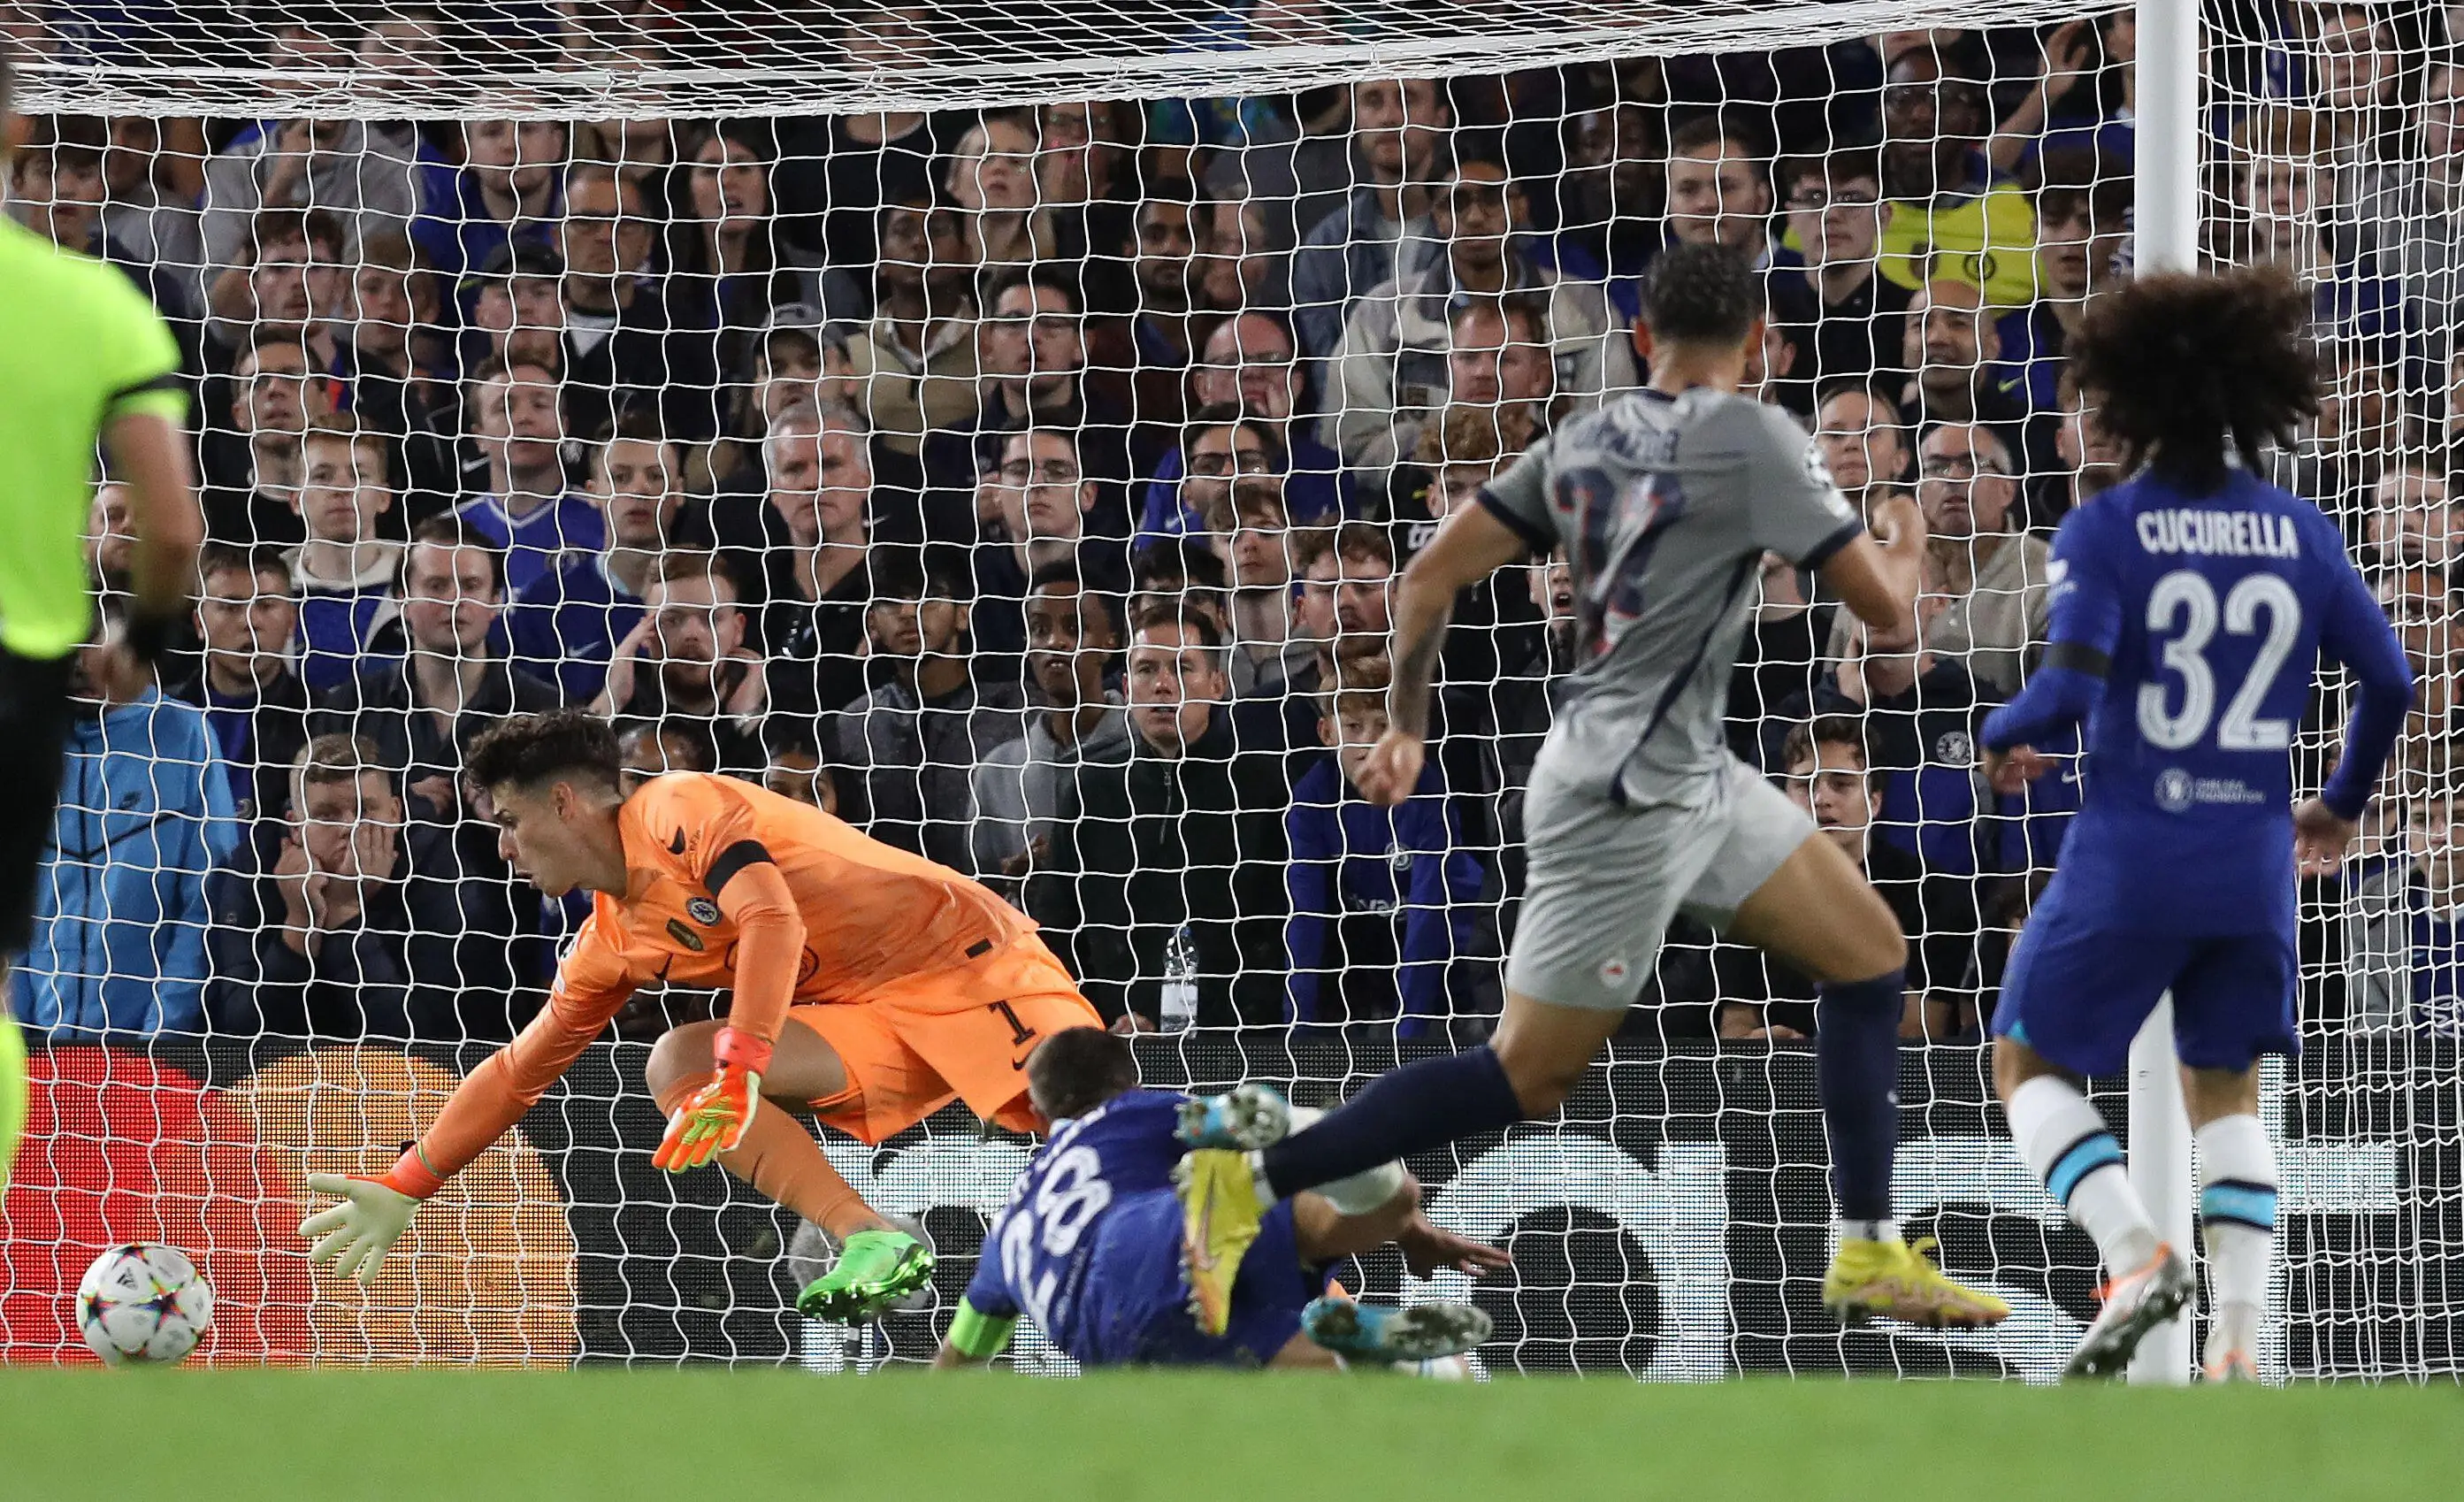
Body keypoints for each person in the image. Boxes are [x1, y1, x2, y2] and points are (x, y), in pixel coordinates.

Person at [1175, 242, 2010, 1331]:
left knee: (1868, 959)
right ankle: (1251, 1177)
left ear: (1637, 341)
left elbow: (1427, 573)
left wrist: (1407, 724)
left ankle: (1865, 1252)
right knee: (1525, 1077)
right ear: (1756, 344)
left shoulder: (1584, 436)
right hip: (1621, 791)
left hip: (1686, 770)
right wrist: (1897, 529)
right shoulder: (1756, 433)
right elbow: (1891, 611)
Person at [295, 709, 1108, 1325]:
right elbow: (519, 1071)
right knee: (676, 1064)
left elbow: (771, 920)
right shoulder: (609, 942)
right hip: (877, 1018)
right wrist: (405, 1183)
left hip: (970, 961)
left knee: (1114, 1157)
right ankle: (871, 1234)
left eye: (509, 821)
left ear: (568, 802)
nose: (503, 848)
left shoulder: (676, 807)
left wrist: (744, 1069)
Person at [1976, 265, 2414, 1382]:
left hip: (2133, 853)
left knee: (2024, 1061)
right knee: (2225, 1090)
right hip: (2252, 860)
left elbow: (2063, 697)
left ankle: (2131, 1253)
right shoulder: (2300, 530)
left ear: (2124, 399)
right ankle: (2236, 1344)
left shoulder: (2105, 528)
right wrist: (2336, 803)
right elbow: (2391, 682)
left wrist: (1990, 722)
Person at [0, 41, 204, 1186]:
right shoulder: (97, 306)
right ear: (16, 131)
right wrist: (142, 644)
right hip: (21, 673)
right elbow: (171, 529)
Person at [936, 1029, 1504, 1368]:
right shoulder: (1127, 1114)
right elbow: (1272, 1136)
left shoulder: (1007, 1230)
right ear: (1128, 1080)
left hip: (1109, 1332)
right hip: (1158, 1231)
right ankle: (1261, 1166)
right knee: (1382, 1184)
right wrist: (1409, 1228)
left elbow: (959, 1355)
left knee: (1339, 1397)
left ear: (1037, 1116)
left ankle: (1355, 1343)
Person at [11, 601, 239, 1041]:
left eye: (88, 646)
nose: (75, 663)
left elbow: (206, 897)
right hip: (39, 1050)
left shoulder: (184, 735)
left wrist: (161, 1034)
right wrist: (22, 1030)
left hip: (151, 1053)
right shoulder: (34, 742)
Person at [1285, 655, 1484, 1037]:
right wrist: (1297, 1030)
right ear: (1327, 733)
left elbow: (1429, 916)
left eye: (1382, 727)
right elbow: (1305, 916)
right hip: (1375, 960)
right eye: (1353, 726)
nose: (1367, 742)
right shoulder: (1311, 800)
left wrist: (1406, 1035)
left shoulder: (1428, 791)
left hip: (1457, 957)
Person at [509, 420, 682, 703]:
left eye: (656, 476)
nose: (640, 490)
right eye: (621, 477)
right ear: (592, 493)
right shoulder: (543, 605)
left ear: (680, 491)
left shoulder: (708, 598)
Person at [172, 544, 311, 835]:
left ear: (290, 620)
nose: (250, 621)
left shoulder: (324, 720)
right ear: (199, 623)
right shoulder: (159, 719)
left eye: (266, 605)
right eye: (230, 606)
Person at [288, 413, 403, 693]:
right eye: (322, 476)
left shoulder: (421, 588)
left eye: (359, 475)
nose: (342, 488)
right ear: (295, 500)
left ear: (384, 497)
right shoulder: (267, 593)